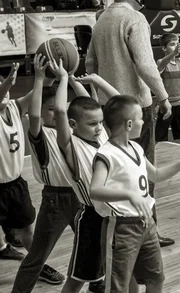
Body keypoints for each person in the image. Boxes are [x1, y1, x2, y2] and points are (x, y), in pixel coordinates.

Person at [85, 0, 175, 247]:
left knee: (115, 166)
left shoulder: (101, 20)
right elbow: (146, 64)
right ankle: (148, 229)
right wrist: (162, 95)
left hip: (108, 107)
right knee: (144, 168)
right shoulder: (134, 18)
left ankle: (118, 225)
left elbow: (90, 63)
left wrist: (98, 97)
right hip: (136, 108)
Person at [90, 95, 180, 293]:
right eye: (140, 118)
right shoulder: (106, 154)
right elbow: (95, 189)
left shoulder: (136, 148)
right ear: (129, 124)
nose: (144, 121)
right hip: (121, 227)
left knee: (156, 278)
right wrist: (129, 194)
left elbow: (157, 175)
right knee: (119, 286)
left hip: (146, 224)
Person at [12, 57, 94, 293]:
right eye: (51, 109)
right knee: (36, 257)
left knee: (95, 246)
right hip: (55, 201)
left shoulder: (70, 129)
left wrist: (73, 81)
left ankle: (97, 284)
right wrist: (39, 79)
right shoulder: (39, 134)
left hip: (83, 198)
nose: (56, 112)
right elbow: (35, 114)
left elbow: (85, 103)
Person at [52, 61, 119, 293]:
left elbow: (111, 104)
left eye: (101, 122)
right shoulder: (71, 145)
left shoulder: (101, 137)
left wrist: (77, 80)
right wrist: (62, 79)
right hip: (92, 219)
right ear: (72, 125)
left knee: (113, 272)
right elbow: (62, 111)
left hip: (115, 214)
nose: (100, 127)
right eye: (93, 124)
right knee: (77, 278)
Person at [0, 61, 64, 288]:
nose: (5, 91)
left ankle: (39, 265)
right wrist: (6, 83)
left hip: (15, 185)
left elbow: (39, 89)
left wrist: (52, 73)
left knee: (28, 231)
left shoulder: (16, 108)